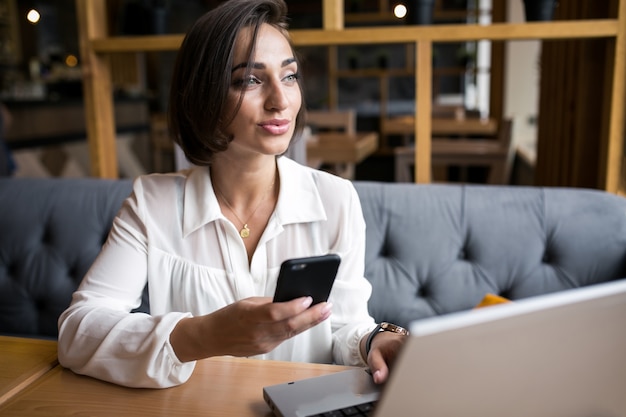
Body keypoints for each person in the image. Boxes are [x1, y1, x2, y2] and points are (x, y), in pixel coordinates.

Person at [58, 0, 407, 389]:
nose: (281, 100)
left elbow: (343, 327)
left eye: (289, 76)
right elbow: (76, 331)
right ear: (203, 94)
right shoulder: (152, 204)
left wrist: (375, 339)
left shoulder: (335, 199)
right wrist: (204, 335)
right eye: (250, 80)